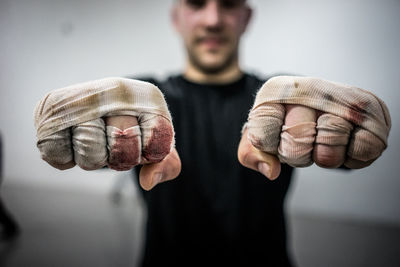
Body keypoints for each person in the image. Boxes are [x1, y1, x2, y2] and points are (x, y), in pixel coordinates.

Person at [33, 0, 391, 266]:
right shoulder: (149, 103)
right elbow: (110, 127)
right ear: (176, 17)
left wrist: (350, 123)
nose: (213, 19)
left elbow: (351, 153)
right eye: (196, 4)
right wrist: (87, 122)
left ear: (246, 17)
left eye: (229, 4)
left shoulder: (278, 102)